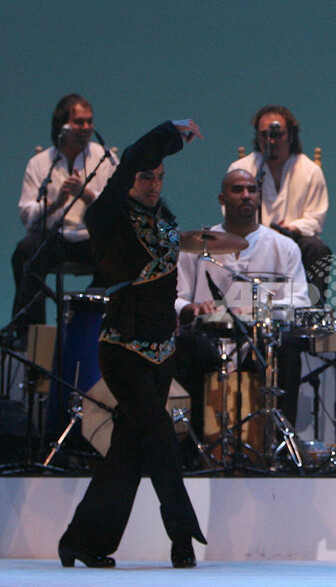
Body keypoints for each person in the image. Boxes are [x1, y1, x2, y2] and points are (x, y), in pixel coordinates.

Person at [58, 119, 207, 569]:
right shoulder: (108, 216)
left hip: (162, 352)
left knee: (128, 452)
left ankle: (82, 540)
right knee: (161, 441)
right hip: (124, 350)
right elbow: (128, 163)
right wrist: (170, 132)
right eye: (146, 177)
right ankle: (182, 536)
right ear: (129, 179)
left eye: (159, 177)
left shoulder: (163, 219)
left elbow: (168, 276)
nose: (154, 185)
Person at [174, 169, 310, 441]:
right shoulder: (195, 247)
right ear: (222, 198)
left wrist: (259, 311)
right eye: (237, 190)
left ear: (259, 197)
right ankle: (194, 445)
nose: (246, 195)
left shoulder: (284, 247)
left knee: (287, 347)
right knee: (184, 344)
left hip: (260, 341)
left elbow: (300, 300)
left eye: (252, 190)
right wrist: (191, 308)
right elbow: (176, 297)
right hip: (210, 342)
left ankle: (279, 443)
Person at [7, 94, 117, 346]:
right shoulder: (40, 163)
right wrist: (55, 203)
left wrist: (87, 194)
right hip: (54, 238)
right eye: (79, 122)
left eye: (89, 122)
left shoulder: (104, 158)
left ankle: (88, 321)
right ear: (62, 126)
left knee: (117, 252)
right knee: (26, 250)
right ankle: (30, 335)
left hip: (90, 238)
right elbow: (26, 215)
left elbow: (116, 206)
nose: (86, 128)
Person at [228, 105, 331, 299]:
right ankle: (239, 309)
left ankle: (312, 309)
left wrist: (292, 228)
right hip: (251, 240)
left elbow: (315, 218)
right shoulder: (241, 169)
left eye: (277, 135)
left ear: (290, 135)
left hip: (294, 239)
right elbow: (232, 213)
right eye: (264, 135)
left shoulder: (310, 170)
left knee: (316, 248)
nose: (271, 141)